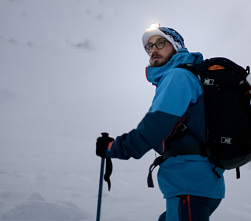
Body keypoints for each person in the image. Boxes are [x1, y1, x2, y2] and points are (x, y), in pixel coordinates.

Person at [96, 24, 225, 221]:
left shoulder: (178, 77)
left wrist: (113, 148)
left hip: (188, 185)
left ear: (176, 46)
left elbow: (152, 131)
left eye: (160, 42)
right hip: (198, 184)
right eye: (149, 47)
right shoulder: (183, 78)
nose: (153, 49)